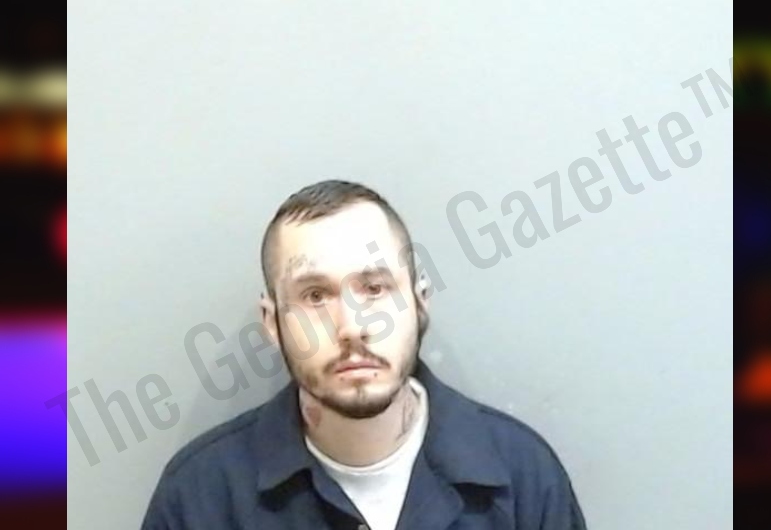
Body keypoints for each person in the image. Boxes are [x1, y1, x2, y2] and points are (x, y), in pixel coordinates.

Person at [141, 180, 586, 529]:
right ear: (273, 323)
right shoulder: (199, 497)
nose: (352, 327)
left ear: (419, 303)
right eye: (315, 296)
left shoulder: (524, 477)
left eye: (375, 288)